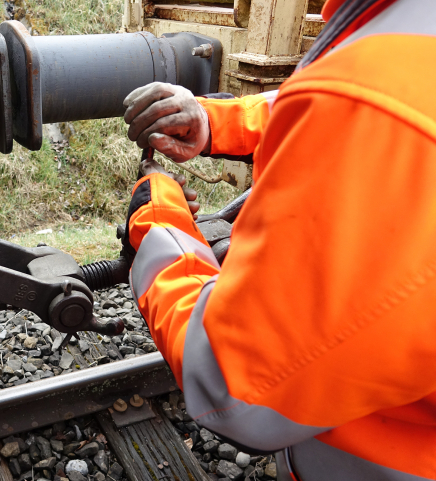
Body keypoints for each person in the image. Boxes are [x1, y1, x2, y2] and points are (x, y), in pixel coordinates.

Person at [121, 0, 436, 479]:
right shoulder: (401, 30)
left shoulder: (378, 101)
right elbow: (348, 106)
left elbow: (234, 388)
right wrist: (216, 122)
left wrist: (156, 215)